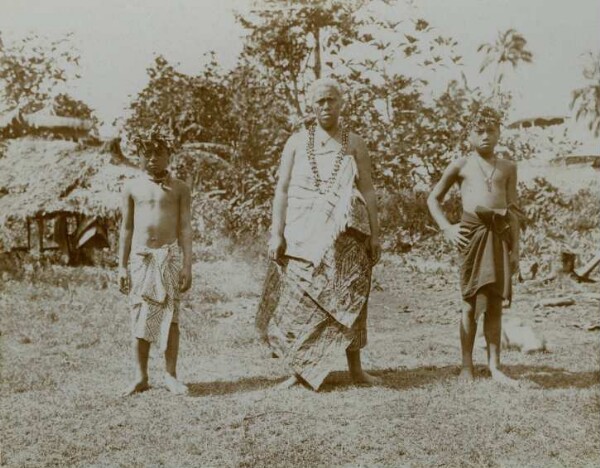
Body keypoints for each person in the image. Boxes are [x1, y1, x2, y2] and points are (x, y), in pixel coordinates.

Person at [256, 78, 381, 391]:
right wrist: (277, 233)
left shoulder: (354, 142)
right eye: (320, 102)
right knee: (302, 301)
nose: (326, 107)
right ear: (310, 106)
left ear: (341, 103)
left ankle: (356, 370)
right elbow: (282, 189)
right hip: (302, 232)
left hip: (346, 232)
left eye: (331, 101)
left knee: (348, 298)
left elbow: (367, 189)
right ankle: (301, 371)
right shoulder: (297, 142)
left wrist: (376, 235)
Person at [427, 106, 522, 386]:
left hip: (500, 235)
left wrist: (516, 249)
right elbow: (433, 199)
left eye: (490, 131)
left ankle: (494, 366)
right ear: (468, 135)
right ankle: (466, 365)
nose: (485, 136)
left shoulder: (508, 167)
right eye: (479, 131)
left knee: (495, 302)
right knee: (470, 302)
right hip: (471, 235)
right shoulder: (461, 165)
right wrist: (447, 227)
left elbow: (513, 210)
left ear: (499, 133)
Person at [118, 127, 193, 396]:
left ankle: (171, 375)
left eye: (159, 153)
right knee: (140, 315)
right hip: (141, 259)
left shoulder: (180, 188)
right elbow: (126, 228)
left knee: (170, 317)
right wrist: (121, 266)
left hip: (169, 256)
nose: (153, 159)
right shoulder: (131, 188)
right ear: (139, 156)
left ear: (169, 155)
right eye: (147, 154)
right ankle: (141, 376)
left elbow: (185, 228)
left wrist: (187, 264)